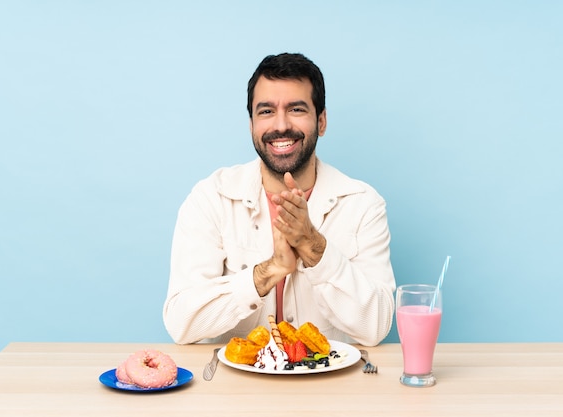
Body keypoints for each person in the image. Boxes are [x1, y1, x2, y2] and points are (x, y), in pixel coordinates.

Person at [163, 52, 396, 347]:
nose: (281, 125)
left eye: (296, 109)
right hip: (234, 390)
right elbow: (181, 323)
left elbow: (376, 326)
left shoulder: (363, 204)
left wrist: (313, 246)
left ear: (321, 121)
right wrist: (269, 270)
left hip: (331, 389)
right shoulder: (210, 199)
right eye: (266, 111)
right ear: (251, 125)